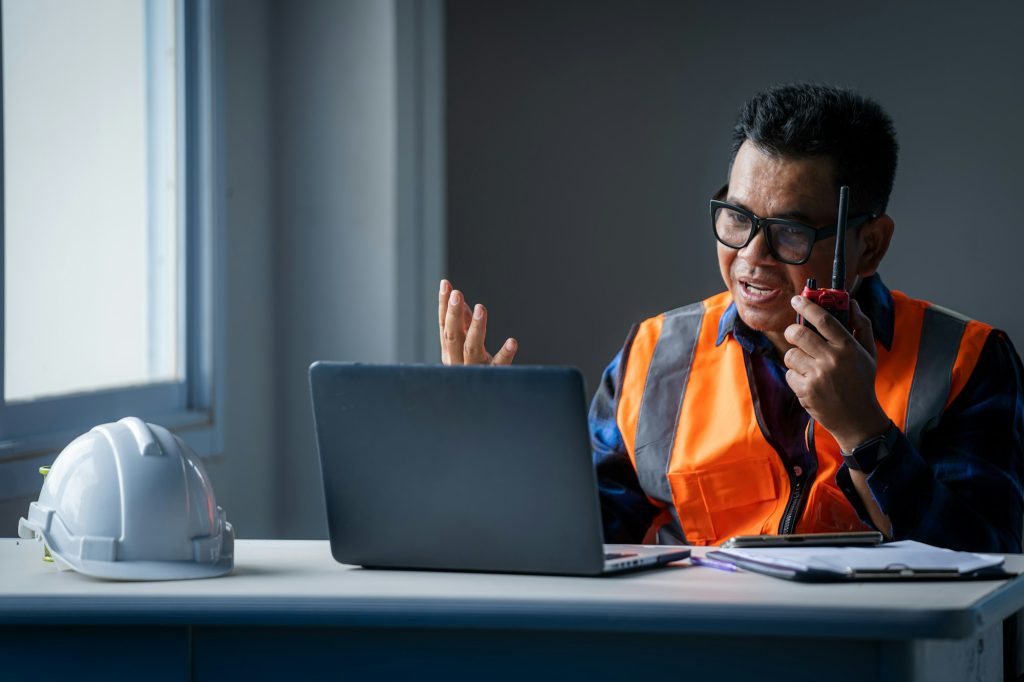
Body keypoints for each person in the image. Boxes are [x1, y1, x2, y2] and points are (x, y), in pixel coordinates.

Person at [437, 83, 1024, 553]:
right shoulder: (655, 352)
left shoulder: (964, 361)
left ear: (869, 246)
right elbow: (579, 536)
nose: (750, 257)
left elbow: (989, 559)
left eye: (790, 232)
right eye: (737, 218)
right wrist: (493, 441)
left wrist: (864, 432)